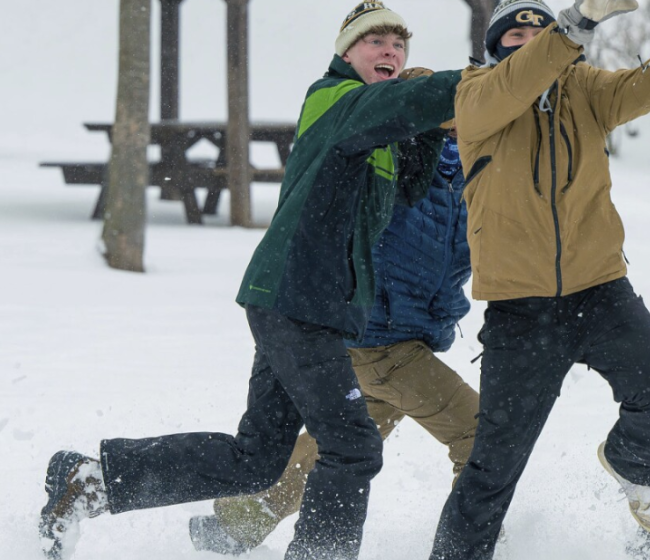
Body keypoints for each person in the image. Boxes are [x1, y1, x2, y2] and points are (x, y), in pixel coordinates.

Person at [37, 3, 462, 559]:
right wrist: (474, 84)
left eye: (399, 45)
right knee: (353, 446)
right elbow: (408, 102)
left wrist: (428, 129)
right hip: (298, 300)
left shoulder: (375, 128)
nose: (391, 52)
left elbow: (407, 186)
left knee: (257, 458)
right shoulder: (335, 99)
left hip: (304, 305)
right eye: (376, 41)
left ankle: (89, 481)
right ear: (345, 53)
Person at [428, 0, 650, 558]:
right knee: (494, 466)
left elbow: (646, 89)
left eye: (538, 27)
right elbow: (512, 87)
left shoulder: (584, 89)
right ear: (497, 43)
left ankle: (632, 463)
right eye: (515, 30)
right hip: (519, 312)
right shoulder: (475, 93)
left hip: (600, 292)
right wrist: (573, 23)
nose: (528, 35)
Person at [188, 130, 479, 555]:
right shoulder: (400, 157)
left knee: (343, 444)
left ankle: (238, 524)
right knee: (480, 435)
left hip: (404, 340)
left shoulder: (483, 170)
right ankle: (471, 547)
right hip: (381, 342)